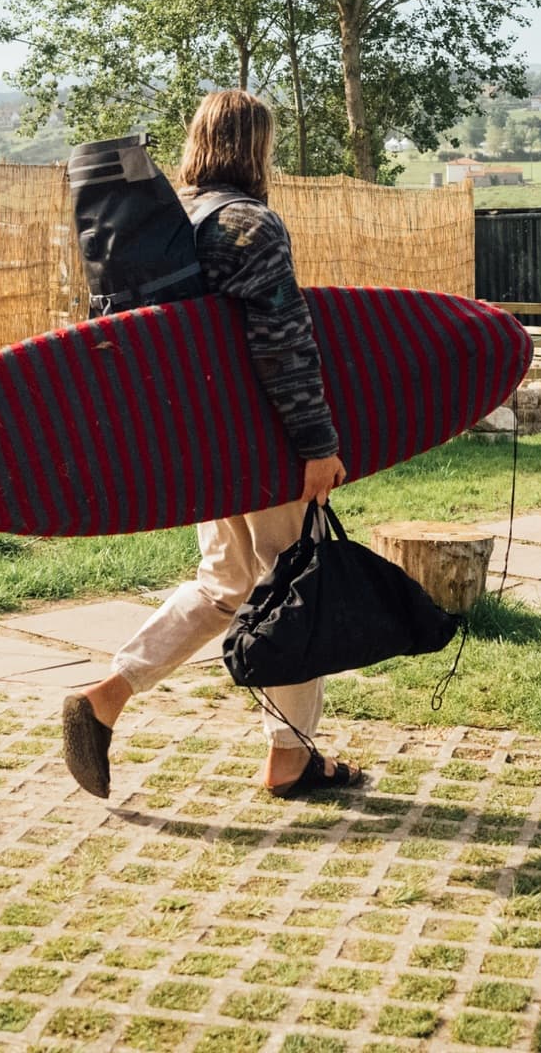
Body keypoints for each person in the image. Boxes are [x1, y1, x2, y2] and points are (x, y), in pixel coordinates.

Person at [60, 90, 362, 802]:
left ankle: (107, 694)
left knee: (226, 585)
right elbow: (283, 344)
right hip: (264, 446)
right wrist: (317, 443)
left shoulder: (171, 223)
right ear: (256, 147)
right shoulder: (249, 225)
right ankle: (291, 758)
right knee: (297, 586)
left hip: (206, 449)